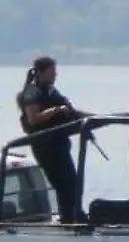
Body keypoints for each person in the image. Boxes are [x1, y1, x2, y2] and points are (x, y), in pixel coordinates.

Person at [15, 55, 88, 224]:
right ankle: (68, 218)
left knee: (73, 182)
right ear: (41, 72)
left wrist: (96, 118)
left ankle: (74, 214)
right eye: (52, 71)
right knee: (63, 184)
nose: (55, 75)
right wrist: (56, 110)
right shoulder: (33, 91)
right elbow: (33, 118)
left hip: (59, 143)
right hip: (45, 146)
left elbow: (70, 111)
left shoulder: (51, 90)